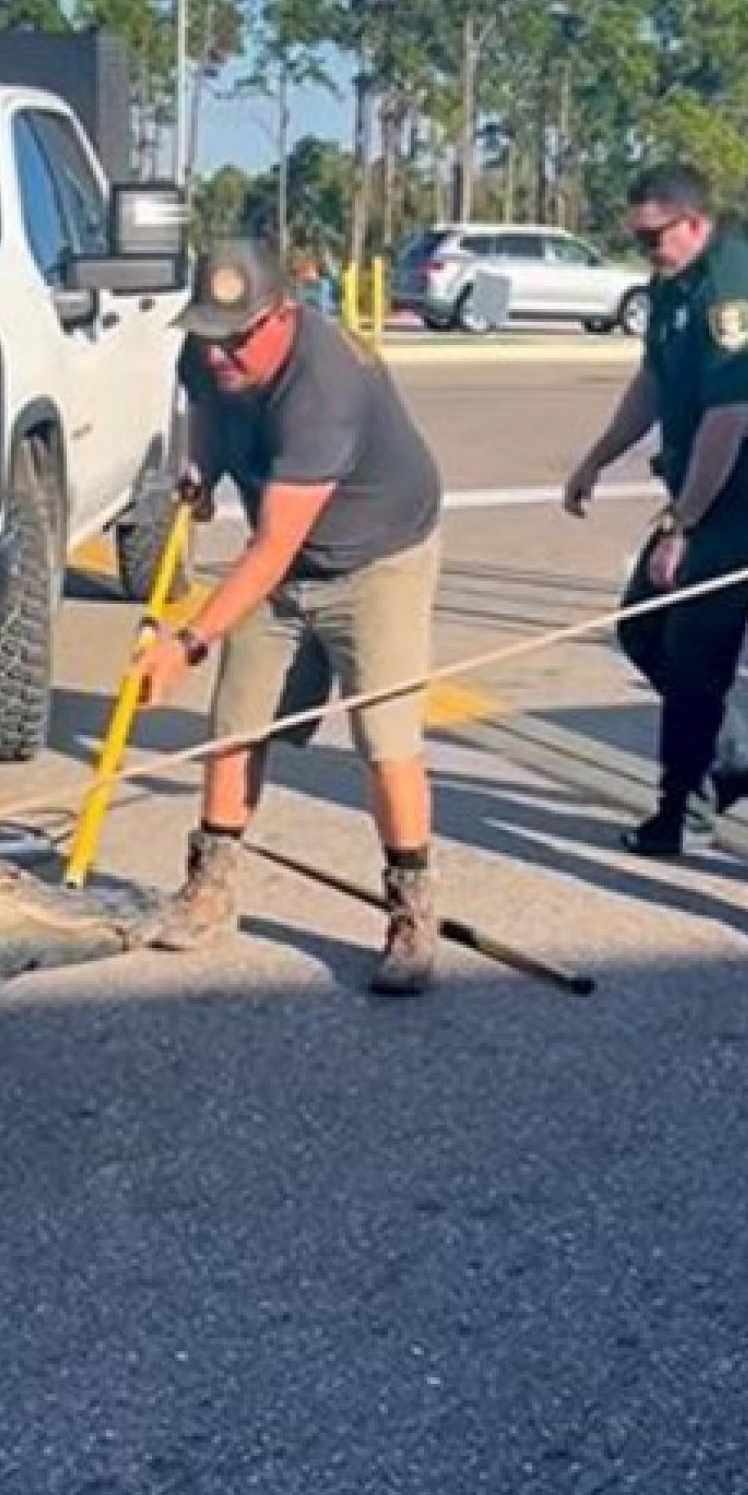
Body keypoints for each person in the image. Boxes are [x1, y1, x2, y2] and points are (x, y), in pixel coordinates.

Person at [136, 238, 446, 993]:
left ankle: (412, 910)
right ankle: (209, 889)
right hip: (285, 558)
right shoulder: (211, 352)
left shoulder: (325, 387)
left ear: (282, 314)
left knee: (385, 735)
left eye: (235, 338)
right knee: (236, 721)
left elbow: (273, 547)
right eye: (208, 334)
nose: (219, 355)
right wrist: (200, 468)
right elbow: (202, 402)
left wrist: (188, 640)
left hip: (377, 559)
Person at [561, 163, 748, 857]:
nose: (645, 250)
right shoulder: (672, 282)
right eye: (637, 238)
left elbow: (729, 416)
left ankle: (684, 810)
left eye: (653, 237)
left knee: (695, 649)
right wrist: (596, 457)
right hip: (705, 479)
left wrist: (685, 523)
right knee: (642, 628)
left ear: (695, 223)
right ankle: (732, 758)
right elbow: (654, 379)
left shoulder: (729, 287)